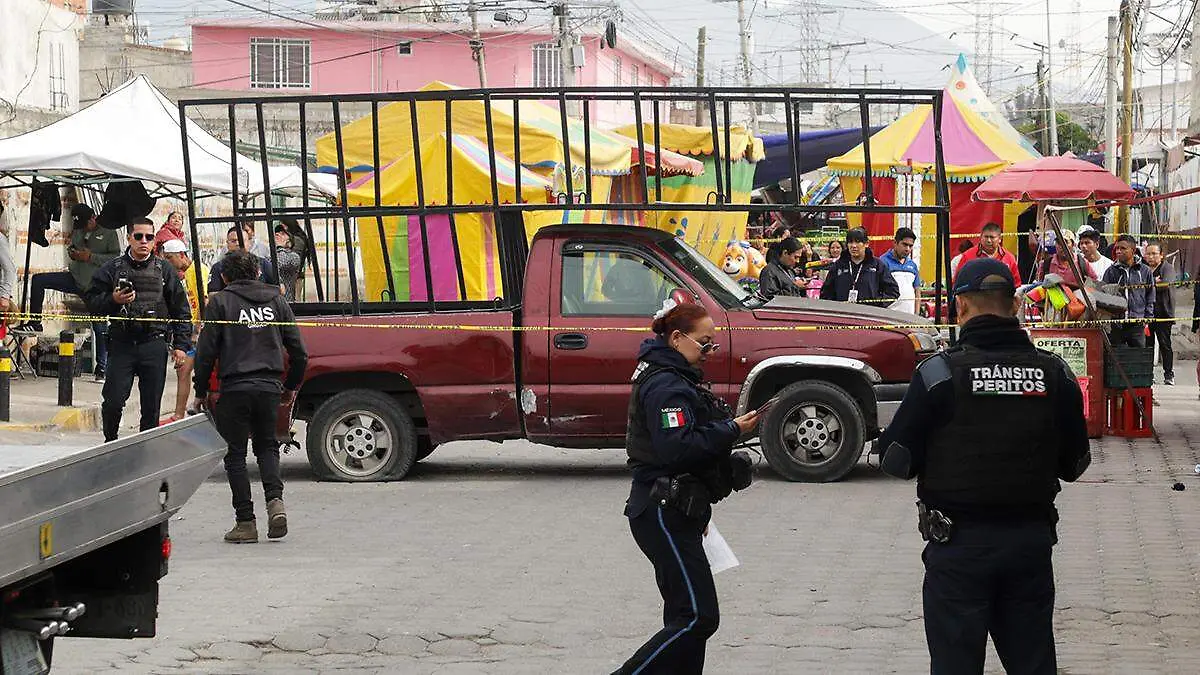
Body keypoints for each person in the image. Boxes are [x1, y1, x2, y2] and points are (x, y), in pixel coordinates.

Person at [876, 257, 1091, 675]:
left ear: (960, 308)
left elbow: (895, 460)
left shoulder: (938, 373)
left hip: (958, 547)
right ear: (1014, 305)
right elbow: (1076, 463)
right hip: (1029, 544)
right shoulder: (1054, 373)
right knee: (1033, 664)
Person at [614, 301, 759, 674]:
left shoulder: (675, 377)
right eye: (704, 343)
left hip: (678, 509)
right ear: (677, 339)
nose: (710, 352)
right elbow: (677, 447)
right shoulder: (665, 385)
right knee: (698, 617)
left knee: (684, 618)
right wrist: (733, 430)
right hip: (661, 511)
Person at [194, 250, 308, 544]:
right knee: (267, 447)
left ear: (224, 276)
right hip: (270, 386)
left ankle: (246, 522)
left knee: (235, 455)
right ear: (258, 273)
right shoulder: (276, 301)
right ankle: (276, 503)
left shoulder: (219, 302)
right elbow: (299, 352)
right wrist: (290, 386)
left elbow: (206, 352)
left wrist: (200, 389)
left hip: (235, 387)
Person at [85, 218, 192, 442]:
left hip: (153, 342)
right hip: (122, 342)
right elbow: (92, 301)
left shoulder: (165, 271)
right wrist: (113, 299)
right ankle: (110, 442)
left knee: (151, 406)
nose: (144, 241)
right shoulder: (112, 268)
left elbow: (181, 310)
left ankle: (145, 452)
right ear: (129, 238)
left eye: (149, 237)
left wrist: (181, 346)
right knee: (113, 400)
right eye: (139, 236)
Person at [18, 203, 120, 378]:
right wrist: (73, 253)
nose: (80, 229)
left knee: (99, 324)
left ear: (93, 218)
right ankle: (35, 321)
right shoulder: (79, 229)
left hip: (95, 285)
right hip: (74, 278)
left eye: (84, 224)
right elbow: (71, 246)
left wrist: (91, 257)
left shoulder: (109, 232)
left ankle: (102, 367)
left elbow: (115, 258)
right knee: (39, 280)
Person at [160, 238, 208, 422]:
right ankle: (181, 413)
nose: (169, 264)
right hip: (193, 330)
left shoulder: (197, 271)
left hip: (199, 331)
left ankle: (180, 414)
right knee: (184, 370)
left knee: (184, 369)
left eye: (170, 259)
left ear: (182, 255)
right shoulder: (186, 273)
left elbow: (204, 301)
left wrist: (196, 330)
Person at [820, 227, 900, 305]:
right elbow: (825, 294)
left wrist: (877, 304)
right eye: (850, 242)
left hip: (868, 315)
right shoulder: (838, 266)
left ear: (866, 243)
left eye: (858, 242)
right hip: (843, 315)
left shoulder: (877, 265)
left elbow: (893, 291)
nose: (853, 246)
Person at [1102, 235, 1155, 348]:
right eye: (1117, 248)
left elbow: (1150, 294)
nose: (1118, 251)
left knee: (1138, 357)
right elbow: (1104, 296)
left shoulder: (1145, 271)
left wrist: (1147, 317)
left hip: (1137, 323)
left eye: (1122, 248)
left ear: (1133, 250)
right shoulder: (1111, 271)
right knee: (1117, 357)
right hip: (1116, 324)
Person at [209, 225, 279, 293]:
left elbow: (280, 288)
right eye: (233, 241)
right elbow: (213, 295)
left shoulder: (263, 263)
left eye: (242, 240)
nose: (238, 244)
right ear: (227, 243)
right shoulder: (218, 267)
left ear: (249, 243)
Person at [1143, 243, 1175, 385]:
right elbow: (1138, 286)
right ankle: (1149, 374)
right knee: (1147, 345)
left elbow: (1165, 284)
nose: (1150, 257)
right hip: (1147, 313)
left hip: (1164, 312)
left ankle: (1169, 374)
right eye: (1148, 254)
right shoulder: (1143, 269)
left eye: (1154, 253)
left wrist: (1150, 285)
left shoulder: (1167, 268)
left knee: (1165, 344)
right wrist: (1154, 283)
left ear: (1161, 255)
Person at [952, 222, 1021, 285]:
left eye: (992, 237)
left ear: (1000, 238)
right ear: (981, 237)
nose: (988, 240)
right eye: (986, 237)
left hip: (1001, 297)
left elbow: (1016, 284)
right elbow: (957, 282)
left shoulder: (1009, 258)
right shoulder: (967, 256)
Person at [880, 227, 921, 314]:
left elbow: (917, 291)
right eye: (905, 244)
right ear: (895, 243)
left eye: (910, 246)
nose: (908, 249)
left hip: (909, 319)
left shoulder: (912, 265)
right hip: (889, 317)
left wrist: (917, 315)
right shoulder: (882, 262)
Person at [272, 223, 303, 302]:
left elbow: (276, 264)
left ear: (290, 240)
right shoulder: (269, 254)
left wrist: (279, 247)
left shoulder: (294, 257)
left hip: (286, 302)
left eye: (282, 234)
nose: (277, 234)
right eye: (276, 233)